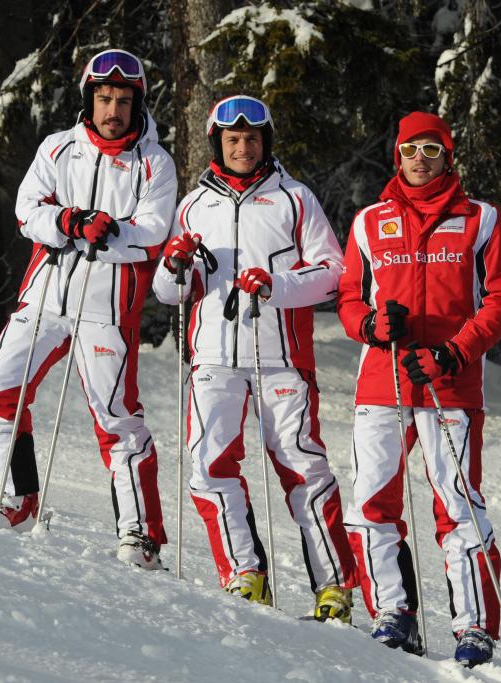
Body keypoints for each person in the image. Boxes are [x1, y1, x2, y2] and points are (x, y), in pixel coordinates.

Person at [153, 95, 357, 620]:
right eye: (232, 140)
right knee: (207, 465)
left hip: (280, 356)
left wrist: (277, 286)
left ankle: (334, 587)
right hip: (214, 356)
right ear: (217, 144)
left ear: (266, 141)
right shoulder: (195, 204)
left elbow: (333, 271)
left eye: (252, 139)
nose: (243, 147)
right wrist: (176, 266)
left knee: (303, 467)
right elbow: (166, 290)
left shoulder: (294, 198)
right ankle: (244, 572)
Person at [0, 49, 177, 571]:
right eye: (105, 98)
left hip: (107, 305)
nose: (114, 109)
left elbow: (153, 233)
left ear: (137, 104)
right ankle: (15, 499)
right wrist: (67, 221)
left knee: (117, 420)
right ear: (90, 99)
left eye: (124, 101)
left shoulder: (154, 162)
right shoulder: (58, 148)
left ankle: (139, 533)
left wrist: (109, 231)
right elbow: (27, 210)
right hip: (46, 297)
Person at [337, 111, 501, 665]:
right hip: (382, 382)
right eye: (411, 150)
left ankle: (473, 627)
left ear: (448, 155)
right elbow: (348, 298)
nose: (421, 159)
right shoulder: (370, 222)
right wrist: (371, 325)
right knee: (371, 503)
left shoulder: (480, 219)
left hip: (450, 383)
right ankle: (393, 613)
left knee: (459, 507)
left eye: (431, 150)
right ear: (398, 156)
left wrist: (454, 351)